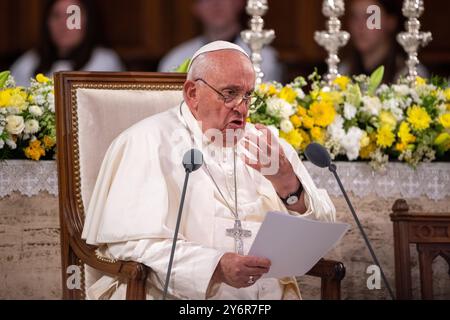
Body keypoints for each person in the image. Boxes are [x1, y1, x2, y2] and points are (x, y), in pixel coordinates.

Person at [82, 41, 336, 300]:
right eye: (229, 93)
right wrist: (215, 266)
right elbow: (131, 246)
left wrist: (287, 184)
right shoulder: (147, 141)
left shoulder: (266, 145)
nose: (242, 107)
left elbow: (321, 236)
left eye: (248, 95)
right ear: (192, 93)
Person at [158, 0, 282, 83]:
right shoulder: (175, 59)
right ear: (195, 7)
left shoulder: (264, 56)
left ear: (239, 3)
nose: (216, 3)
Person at [10, 0, 124, 86]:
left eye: (72, 16)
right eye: (56, 16)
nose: (63, 24)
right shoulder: (27, 63)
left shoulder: (105, 62)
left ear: (88, 22)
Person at [340, 0, 428, 83]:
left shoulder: (410, 74)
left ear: (390, 21)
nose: (359, 26)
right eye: (355, 17)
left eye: (371, 18)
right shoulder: (342, 72)